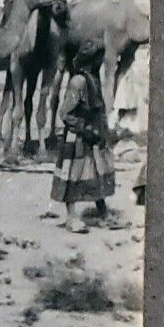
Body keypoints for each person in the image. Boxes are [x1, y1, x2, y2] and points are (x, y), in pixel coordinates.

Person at [51, 64, 117, 232]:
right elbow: (65, 113)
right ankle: (71, 218)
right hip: (77, 137)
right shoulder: (78, 82)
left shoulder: (92, 79)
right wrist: (84, 129)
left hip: (92, 136)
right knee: (72, 176)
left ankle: (103, 213)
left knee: (97, 173)